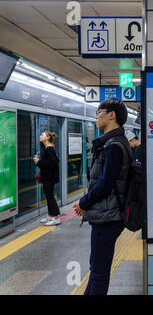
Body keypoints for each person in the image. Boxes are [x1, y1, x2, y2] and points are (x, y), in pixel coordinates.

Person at [73, 98, 131, 295]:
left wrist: (84, 202)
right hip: (108, 213)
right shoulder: (115, 142)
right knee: (97, 268)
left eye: (99, 112)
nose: (96, 116)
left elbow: (105, 184)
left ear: (111, 115)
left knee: (99, 271)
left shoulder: (114, 145)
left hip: (108, 215)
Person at [34, 131, 60, 226]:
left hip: (49, 177)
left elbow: (53, 163)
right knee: (48, 196)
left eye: (42, 135)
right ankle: (50, 215)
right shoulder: (48, 148)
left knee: (50, 197)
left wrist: (38, 162)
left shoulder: (49, 149)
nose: (40, 136)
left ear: (48, 137)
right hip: (48, 177)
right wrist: (39, 162)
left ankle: (56, 217)